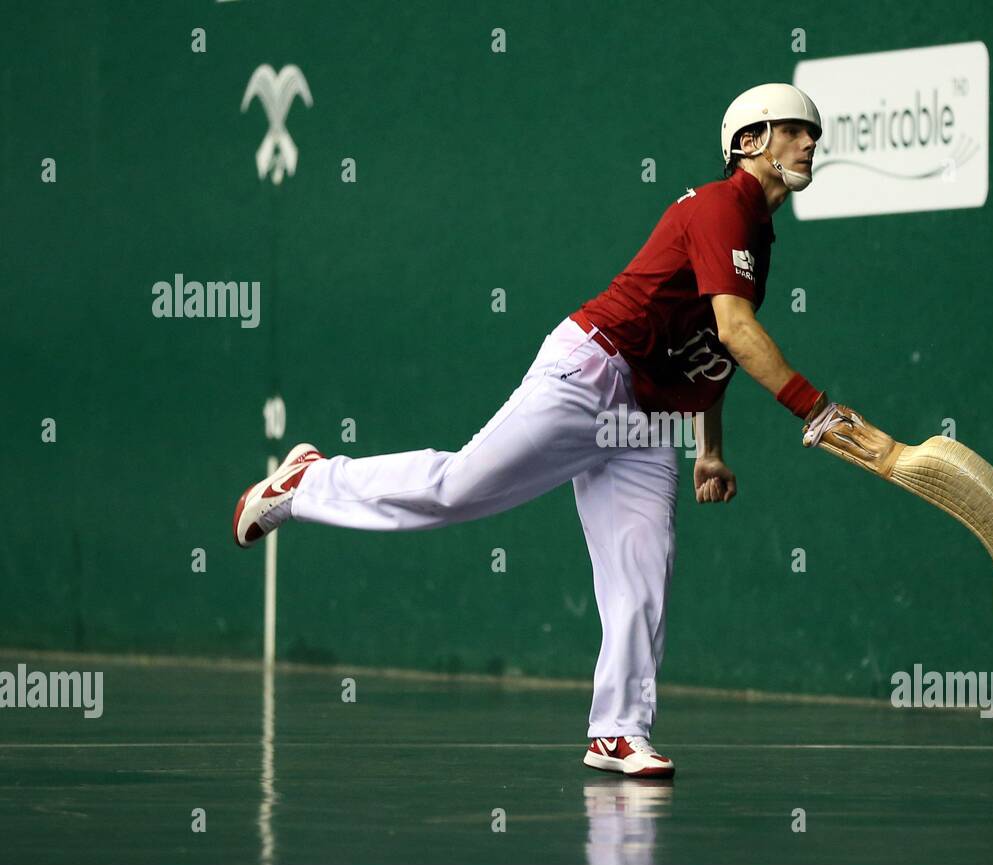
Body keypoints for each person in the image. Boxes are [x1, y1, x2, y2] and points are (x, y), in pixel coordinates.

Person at [233, 83, 829, 779]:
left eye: (812, 132)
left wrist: (712, 451)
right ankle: (310, 480)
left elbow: (711, 348)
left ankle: (617, 732)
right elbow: (737, 329)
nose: (811, 142)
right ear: (751, 141)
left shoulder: (758, 232)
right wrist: (813, 407)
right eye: (795, 130)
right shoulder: (720, 205)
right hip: (592, 373)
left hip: (647, 417)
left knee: (642, 569)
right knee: (458, 488)